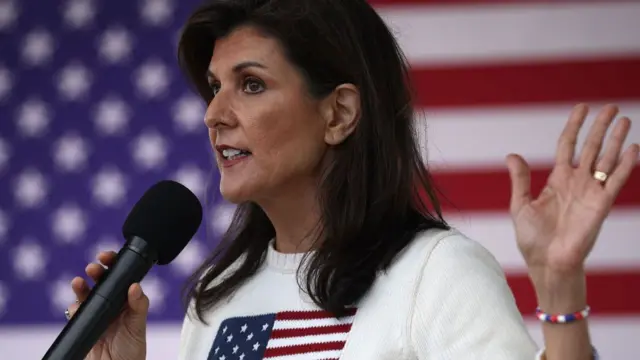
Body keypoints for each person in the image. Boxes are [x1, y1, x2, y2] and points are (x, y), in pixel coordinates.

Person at [64, 0, 639, 359]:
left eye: (252, 84)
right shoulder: (219, 297)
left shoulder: (434, 274)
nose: (214, 114)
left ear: (338, 114)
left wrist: (562, 287)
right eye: (215, 87)